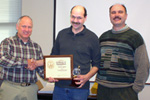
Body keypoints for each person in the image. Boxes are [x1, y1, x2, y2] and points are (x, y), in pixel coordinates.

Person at [96, 3, 149, 100]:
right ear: (110, 16)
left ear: (126, 16)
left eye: (120, 12)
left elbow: (143, 65)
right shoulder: (103, 37)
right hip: (102, 91)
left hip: (125, 92)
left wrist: (136, 89)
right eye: (113, 12)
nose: (116, 15)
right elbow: (96, 61)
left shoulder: (135, 37)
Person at [50, 5, 100, 100]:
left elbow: (96, 64)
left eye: (79, 18)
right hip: (60, 88)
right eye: (73, 17)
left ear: (85, 18)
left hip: (80, 89)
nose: (75, 20)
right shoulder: (61, 34)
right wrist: (51, 74)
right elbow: (53, 58)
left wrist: (86, 77)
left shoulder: (92, 38)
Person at [0, 15, 44, 100]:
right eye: (24, 26)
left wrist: (49, 76)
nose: (27, 30)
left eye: (29, 27)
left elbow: (40, 69)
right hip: (10, 88)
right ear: (17, 27)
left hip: (30, 89)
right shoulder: (7, 42)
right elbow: (2, 59)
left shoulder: (36, 47)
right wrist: (26, 62)